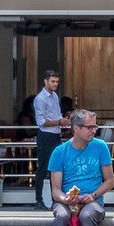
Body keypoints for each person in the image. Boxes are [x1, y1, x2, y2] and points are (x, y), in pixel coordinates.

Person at [43, 108, 113, 226]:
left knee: (87, 216)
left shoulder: (100, 147)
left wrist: (94, 195)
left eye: (94, 126)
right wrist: (65, 199)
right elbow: (55, 190)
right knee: (62, 216)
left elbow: (110, 181)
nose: (93, 130)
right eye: (89, 127)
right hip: (67, 199)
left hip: (92, 199)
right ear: (76, 128)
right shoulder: (60, 151)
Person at [32, 70, 64, 209]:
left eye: (57, 81)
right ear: (45, 81)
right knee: (43, 168)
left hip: (55, 134)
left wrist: (61, 121)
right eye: (53, 81)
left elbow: (56, 114)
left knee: (56, 167)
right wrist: (59, 122)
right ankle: (38, 200)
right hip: (45, 136)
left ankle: (55, 199)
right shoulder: (40, 98)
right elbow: (41, 121)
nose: (55, 84)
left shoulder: (54, 95)